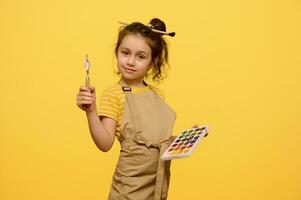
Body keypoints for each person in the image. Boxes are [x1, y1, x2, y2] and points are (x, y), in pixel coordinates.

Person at [76, 18, 206, 200]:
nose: (130, 61)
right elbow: (104, 143)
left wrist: (186, 138)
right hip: (128, 189)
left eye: (141, 56)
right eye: (125, 53)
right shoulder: (114, 94)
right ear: (117, 53)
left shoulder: (157, 95)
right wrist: (91, 111)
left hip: (157, 186)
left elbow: (156, 141)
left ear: (152, 63)